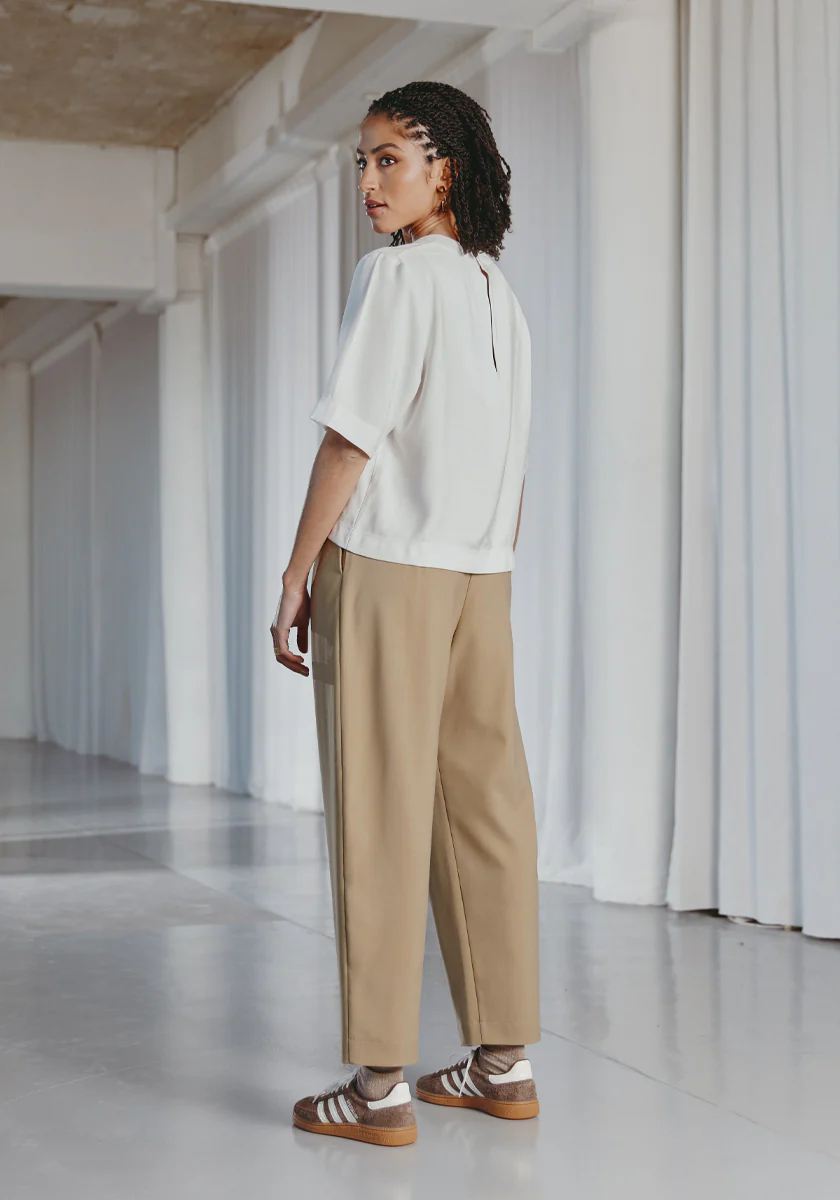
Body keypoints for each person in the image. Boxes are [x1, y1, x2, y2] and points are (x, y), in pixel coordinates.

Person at [270, 80, 540, 1148]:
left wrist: (297, 573)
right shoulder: (497, 293)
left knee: (378, 809)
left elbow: (351, 439)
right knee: (487, 808)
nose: (370, 183)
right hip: (481, 573)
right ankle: (502, 1062)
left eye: (391, 160)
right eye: (363, 163)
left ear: (446, 170)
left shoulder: (394, 276)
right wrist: (488, 555)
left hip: (387, 568)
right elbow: (513, 463)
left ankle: (378, 1084)